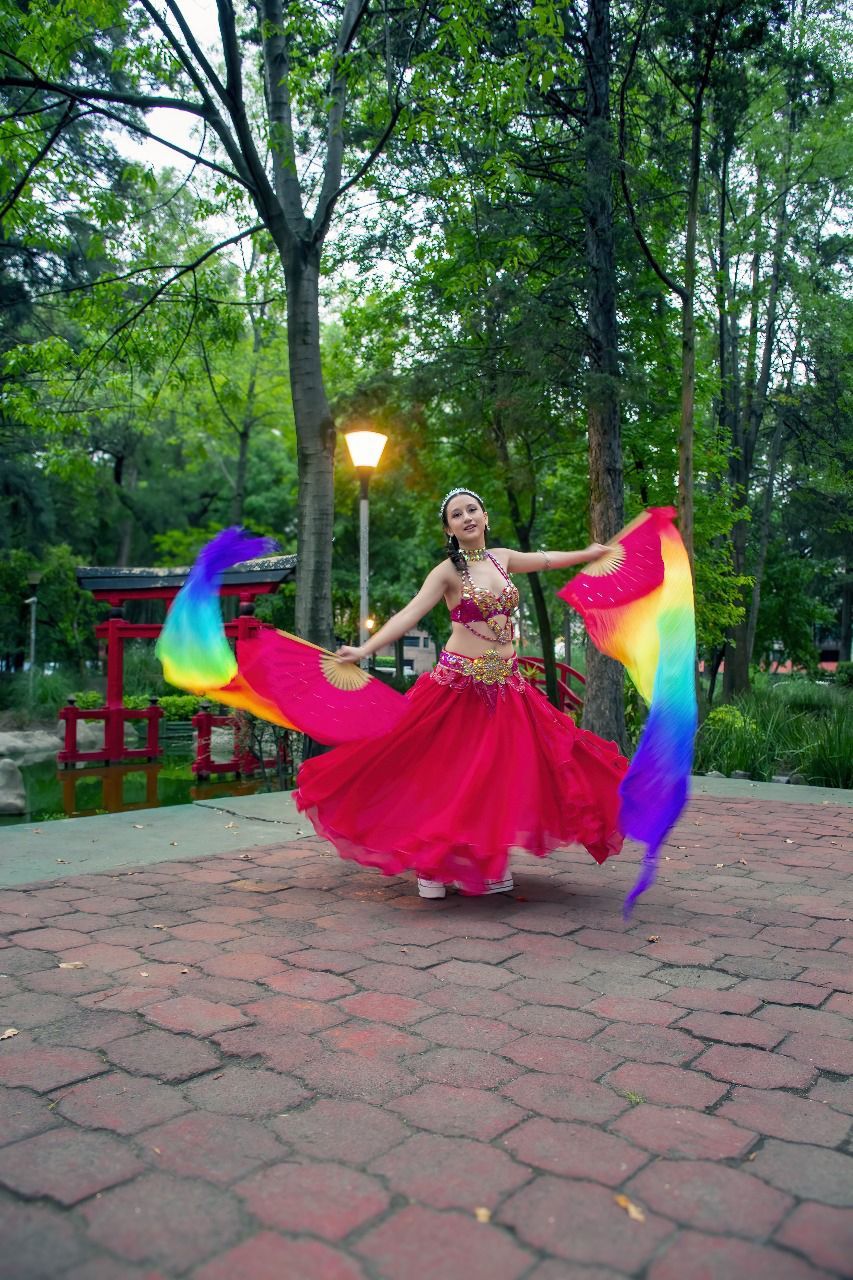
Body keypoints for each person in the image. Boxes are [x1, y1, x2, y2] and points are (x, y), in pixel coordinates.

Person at [294, 487, 629, 898]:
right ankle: (431, 868)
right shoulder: (447, 572)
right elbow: (410, 613)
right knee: (445, 776)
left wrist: (588, 553)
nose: (467, 518)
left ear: (486, 517)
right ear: (449, 528)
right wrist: (365, 649)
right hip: (456, 687)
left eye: (472, 510)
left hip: (506, 686)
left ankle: (488, 860)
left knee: (498, 777)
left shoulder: (502, 558)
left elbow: (545, 559)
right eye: (457, 515)